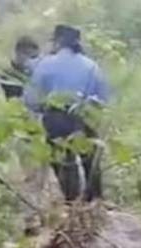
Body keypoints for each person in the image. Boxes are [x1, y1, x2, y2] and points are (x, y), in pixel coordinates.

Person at [24, 25, 110, 202]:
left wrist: (41, 110)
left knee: (64, 163)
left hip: (55, 118)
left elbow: (31, 99)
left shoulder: (45, 64)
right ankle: (95, 201)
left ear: (58, 42)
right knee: (90, 161)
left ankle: (71, 203)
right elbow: (103, 97)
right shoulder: (91, 66)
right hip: (85, 116)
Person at [2, 36, 40, 100]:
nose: (31, 61)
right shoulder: (9, 74)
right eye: (28, 55)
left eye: (34, 57)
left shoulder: (36, 71)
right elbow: (14, 97)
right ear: (18, 52)